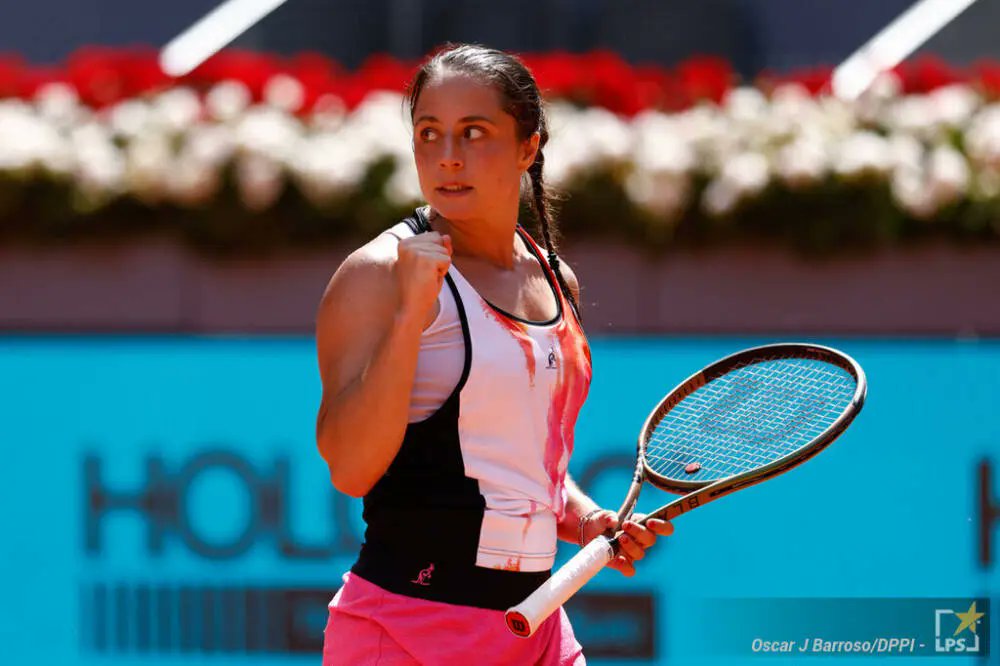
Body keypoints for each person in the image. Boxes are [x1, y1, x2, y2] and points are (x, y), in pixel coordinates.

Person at [314, 43, 672, 665]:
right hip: (402, 635)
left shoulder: (555, 278)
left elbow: (526, 465)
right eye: (429, 133)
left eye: (473, 132)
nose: (446, 156)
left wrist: (587, 521)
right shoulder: (374, 275)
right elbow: (350, 469)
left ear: (527, 148)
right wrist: (408, 318)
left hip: (535, 632)